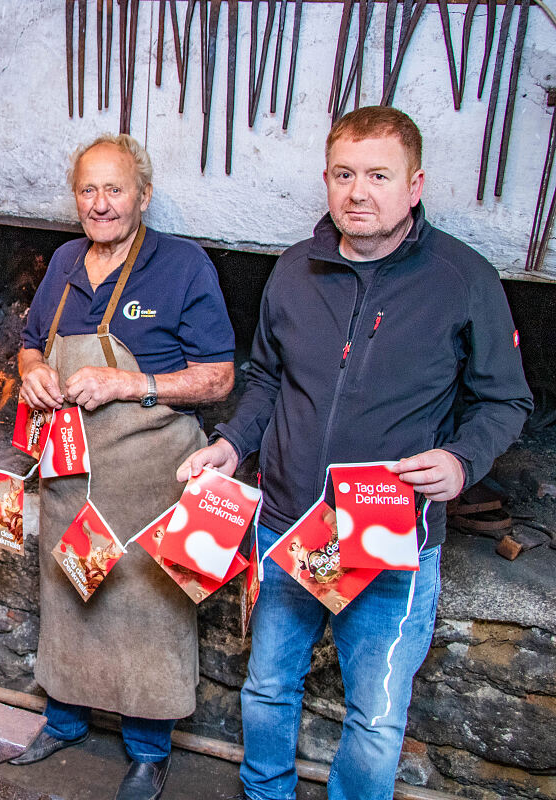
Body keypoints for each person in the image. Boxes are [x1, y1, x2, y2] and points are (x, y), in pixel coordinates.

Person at [177, 106, 532, 800]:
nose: (358, 192)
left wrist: (462, 461)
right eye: (344, 174)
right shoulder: (293, 271)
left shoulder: (463, 279)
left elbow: (505, 401)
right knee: (268, 686)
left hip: (387, 540)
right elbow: (268, 380)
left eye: (378, 175)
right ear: (327, 179)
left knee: (374, 717)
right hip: (285, 524)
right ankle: (265, 791)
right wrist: (230, 445)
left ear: (415, 184)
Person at [13, 133, 235, 800]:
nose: (101, 204)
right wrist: (31, 376)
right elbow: (29, 346)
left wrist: (128, 386)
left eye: (115, 189)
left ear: (143, 194)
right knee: (68, 594)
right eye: (88, 190)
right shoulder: (63, 261)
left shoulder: (183, 265)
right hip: (71, 469)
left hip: (147, 472)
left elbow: (219, 378)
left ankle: (146, 750)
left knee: (146, 611)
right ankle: (65, 718)